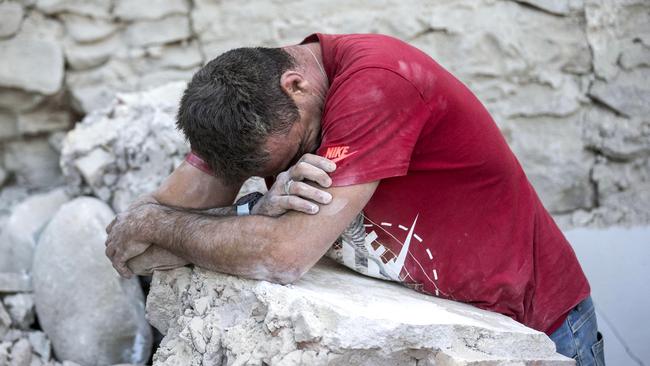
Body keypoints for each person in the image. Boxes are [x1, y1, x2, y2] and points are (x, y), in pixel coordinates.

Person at [105, 33, 604, 365]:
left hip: (539, 327)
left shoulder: (378, 85)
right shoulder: (244, 107)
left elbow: (280, 255)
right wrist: (254, 213)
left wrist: (167, 226)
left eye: (296, 151)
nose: (284, 172)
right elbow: (140, 246)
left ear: (296, 85)